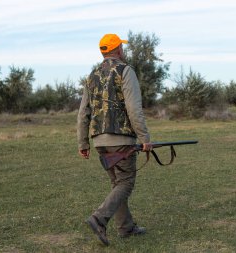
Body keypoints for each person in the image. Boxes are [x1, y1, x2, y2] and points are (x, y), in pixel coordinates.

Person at [77, 33, 152, 246]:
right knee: (125, 183)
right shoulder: (125, 71)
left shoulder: (91, 76)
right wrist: (144, 137)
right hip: (121, 139)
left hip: (99, 141)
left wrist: (83, 143)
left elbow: (83, 112)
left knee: (116, 183)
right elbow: (133, 108)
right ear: (118, 49)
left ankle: (126, 227)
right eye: (122, 47)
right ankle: (99, 218)